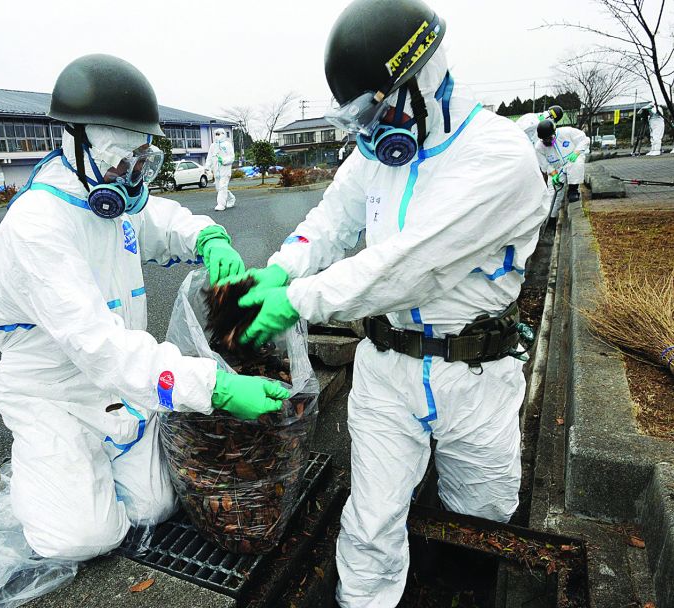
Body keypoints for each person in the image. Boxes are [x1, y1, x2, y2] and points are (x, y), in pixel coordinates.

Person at [222, 1, 548, 605]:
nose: (368, 131)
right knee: (369, 523)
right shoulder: (375, 151)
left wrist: (299, 300)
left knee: (481, 515)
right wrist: (279, 269)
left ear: (422, 79)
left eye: (374, 111)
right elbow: (331, 222)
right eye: (357, 119)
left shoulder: (500, 159)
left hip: (473, 375)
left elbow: (410, 267)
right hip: (386, 369)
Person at [0, 54, 288, 563]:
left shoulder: (112, 202)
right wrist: (217, 387)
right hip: (52, 394)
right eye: (121, 160)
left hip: (117, 387)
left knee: (153, 508)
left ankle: (84, 469)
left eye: (142, 161)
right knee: (81, 539)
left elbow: (157, 219)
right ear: (77, 143)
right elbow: (100, 345)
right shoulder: (38, 227)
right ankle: (48, 465)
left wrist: (206, 236)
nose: (131, 175)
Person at [534, 119, 589, 205]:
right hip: (557, 169)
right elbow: (545, 164)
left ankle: (573, 190)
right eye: (545, 139)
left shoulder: (567, 132)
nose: (547, 141)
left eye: (549, 138)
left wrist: (576, 152)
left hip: (572, 160)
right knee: (553, 195)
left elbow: (584, 140)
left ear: (554, 133)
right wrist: (553, 173)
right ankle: (551, 217)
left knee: (576, 163)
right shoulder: (539, 148)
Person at [206, 128, 236, 210]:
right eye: (216, 134)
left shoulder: (227, 145)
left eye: (219, 134)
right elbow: (209, 157)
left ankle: (221, 205)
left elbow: (232, 157)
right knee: (219, 189)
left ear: (223, 134)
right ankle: (231, 198)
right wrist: (207, 166)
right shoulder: (213, 146)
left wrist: (223, 160)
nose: (217, 136)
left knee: (222, 187)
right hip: (216, 171)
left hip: (225, 171)